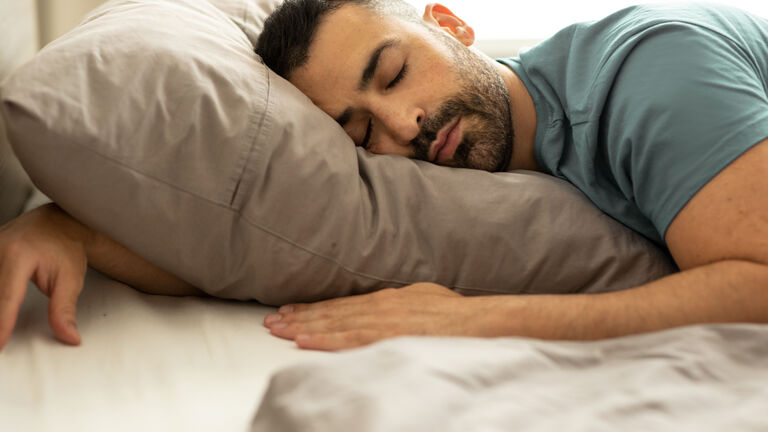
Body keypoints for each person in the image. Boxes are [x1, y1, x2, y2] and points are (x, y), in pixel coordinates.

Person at [1, 0, 767, 352]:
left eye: (394, 72)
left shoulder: (651, 74)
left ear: (453, 25)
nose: (403, 126)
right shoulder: (457, 171)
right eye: (359, 130)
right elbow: (268, 243)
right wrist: (69, 225)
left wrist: (476, 319)